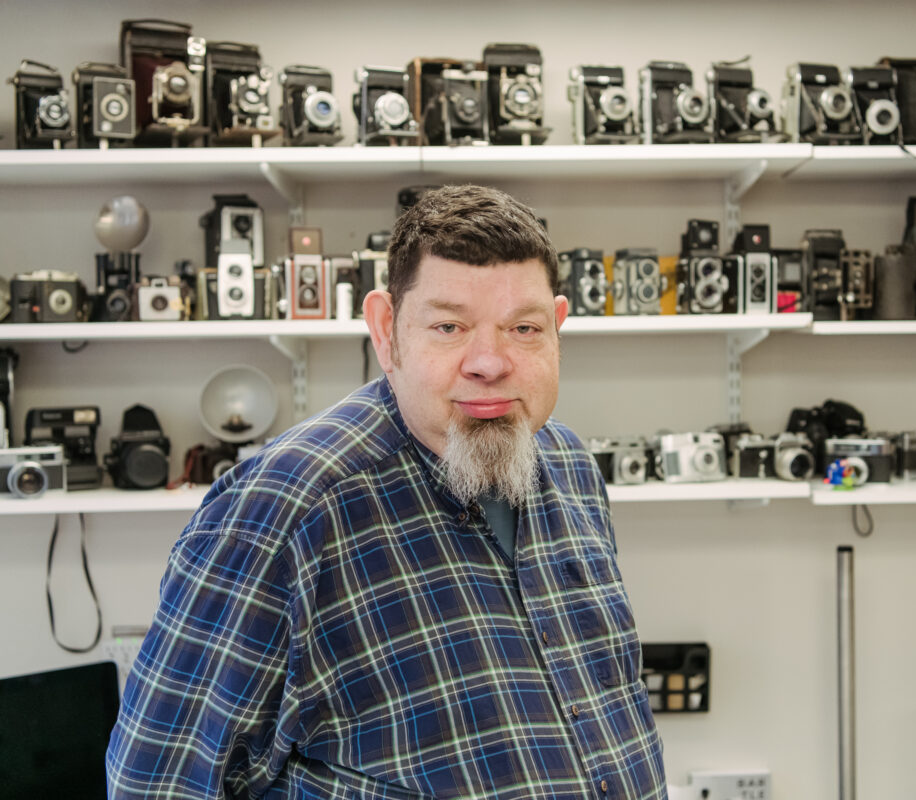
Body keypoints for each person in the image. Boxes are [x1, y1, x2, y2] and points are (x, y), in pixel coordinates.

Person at [107, 185, 667, 799]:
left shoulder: (569, 465)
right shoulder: (288, 505)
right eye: (449, 326)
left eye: (524, 327)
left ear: (557, 328)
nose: (490, 361)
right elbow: (155, 781)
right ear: (386, 330)